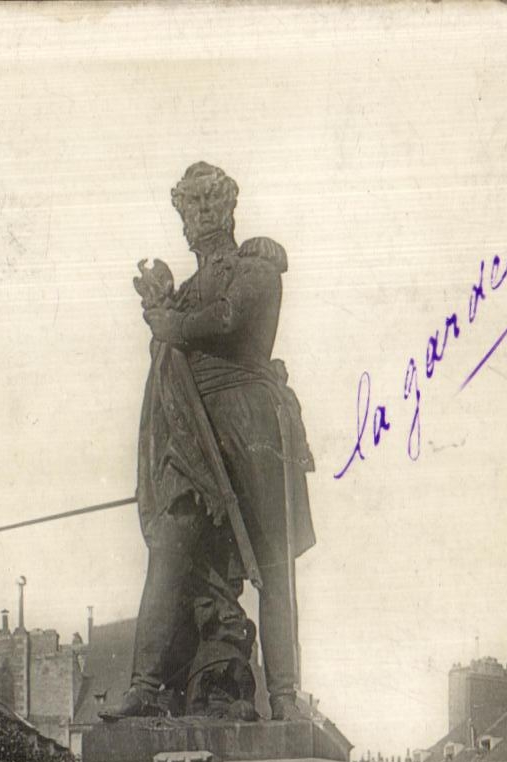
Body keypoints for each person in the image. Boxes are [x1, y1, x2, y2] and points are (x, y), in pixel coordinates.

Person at [102, 162, 315, 723]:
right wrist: (160, 314)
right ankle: (146, 684)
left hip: (250, 425)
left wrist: (170, 326)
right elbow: (169, 364)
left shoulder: (257, 267)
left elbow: (229, 319)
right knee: (169, 552)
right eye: (185, 212)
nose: (192, 224)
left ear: (224, 209)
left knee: (271, 564)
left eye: (201, 208)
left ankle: (286, 697)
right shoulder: (185, 291)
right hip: (191, 437)